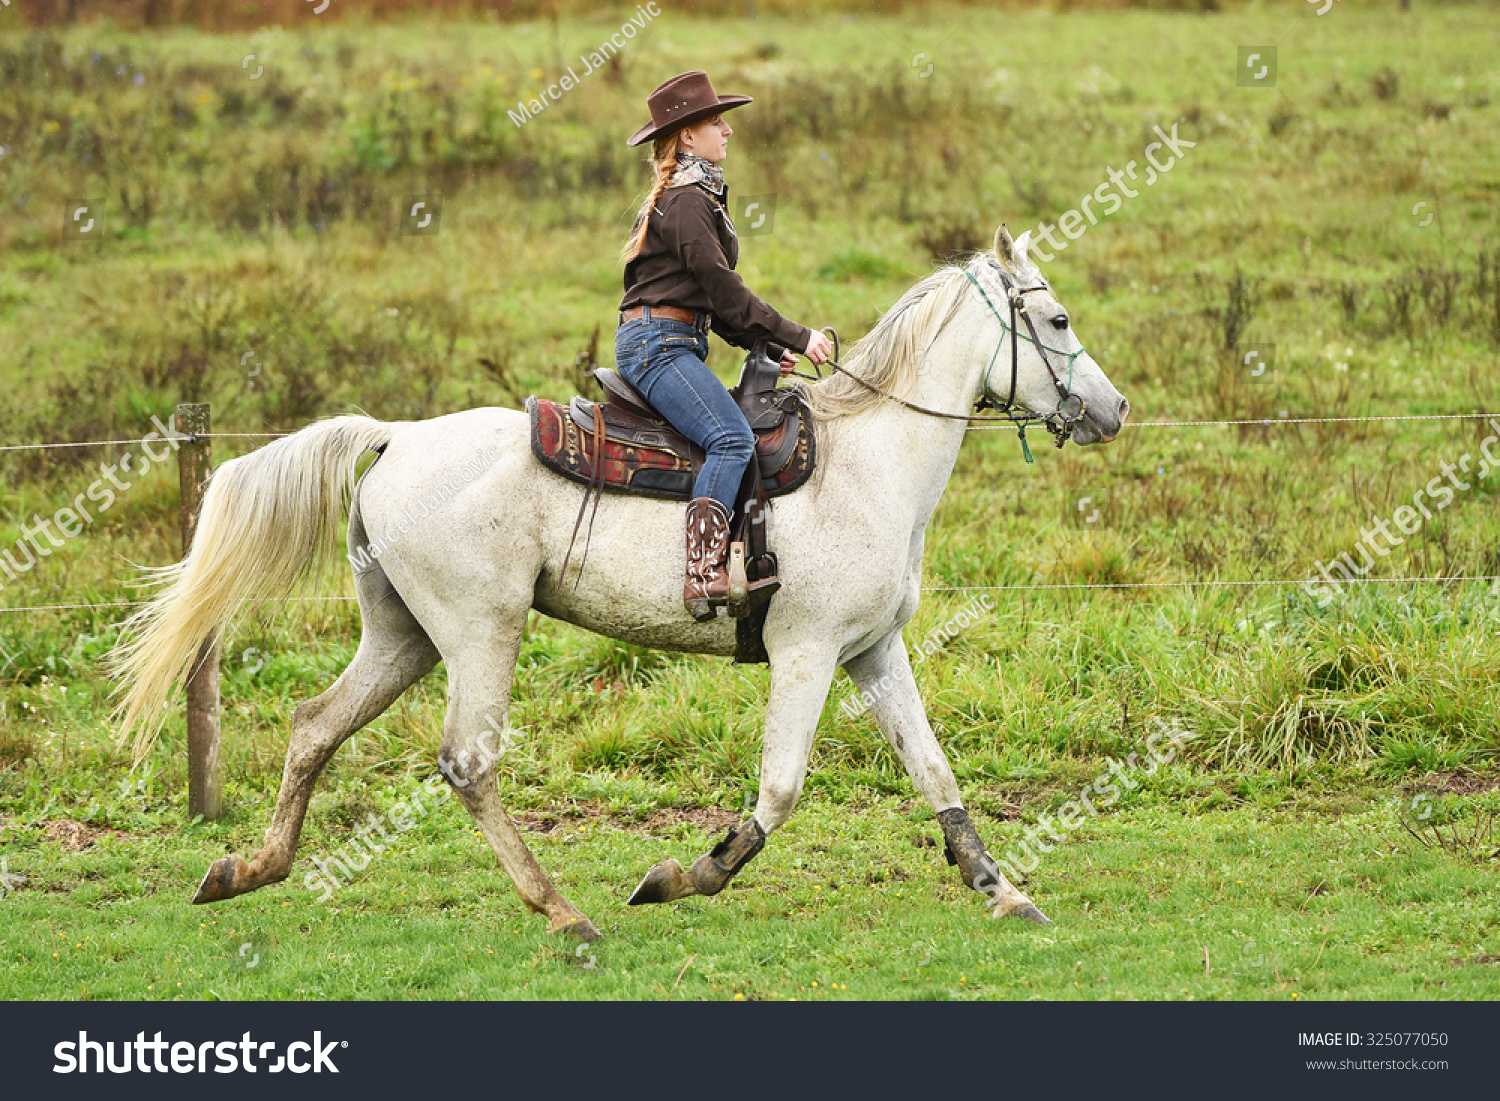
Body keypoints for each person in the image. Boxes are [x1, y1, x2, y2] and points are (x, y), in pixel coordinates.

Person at [617, 70, 833, 622]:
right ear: (687, 136)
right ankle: (702, 571)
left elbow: (708, 304)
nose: (727, 131)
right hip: (657, 347)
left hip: (674, 338)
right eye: (716, 122)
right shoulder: (687, 202)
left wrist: (763, 346)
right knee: (732, 440)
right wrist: (797, 335)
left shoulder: (694, 196)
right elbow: (724, 290)